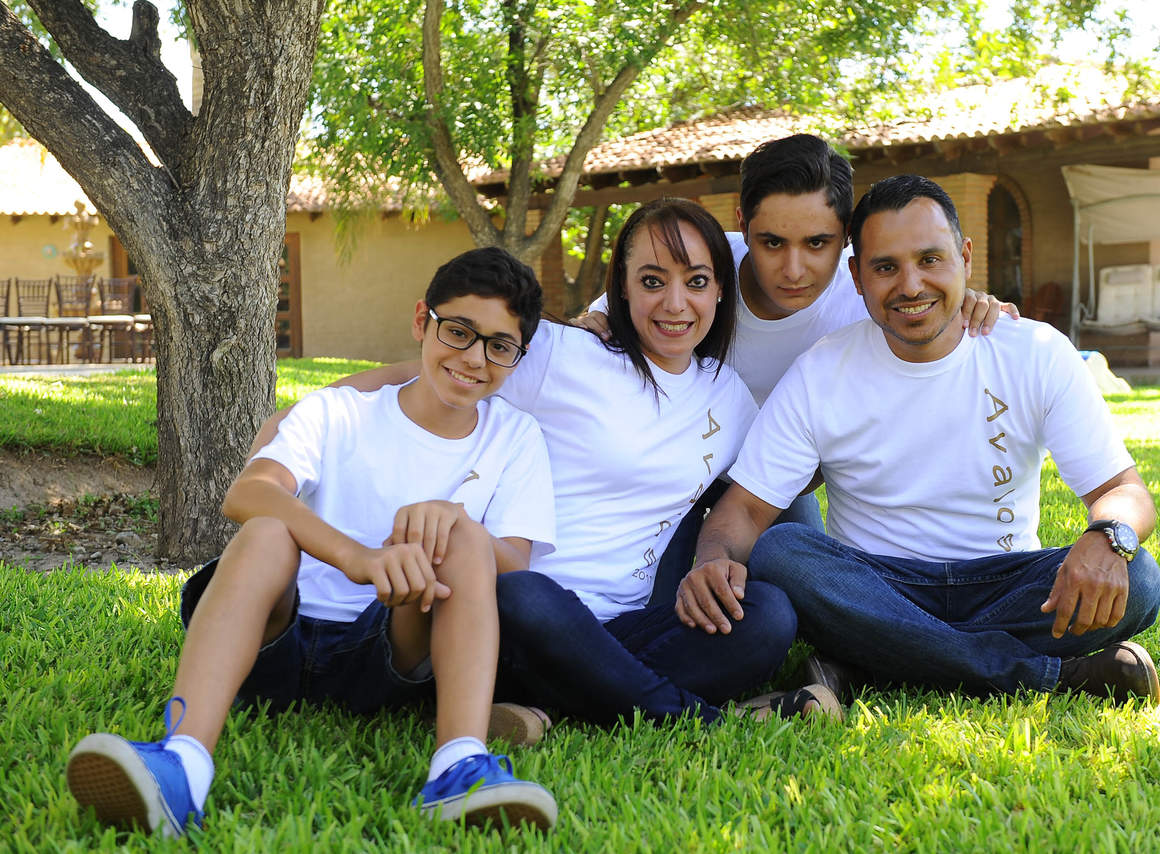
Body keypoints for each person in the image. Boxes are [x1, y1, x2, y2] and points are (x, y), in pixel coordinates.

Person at [66, 247, 561, 836]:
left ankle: (459, 766)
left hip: (391, 650)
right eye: (458, 331)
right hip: (277, 636)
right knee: (266, 531)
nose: (474, 358)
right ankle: (182, 764)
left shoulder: (515, 436)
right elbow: (248, 492)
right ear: (421, 321)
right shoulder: (341, 412)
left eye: (499, 346)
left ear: (517, 357)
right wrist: (356, 557)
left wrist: (454, 522)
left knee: (468, 541)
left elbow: (516, 563)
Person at [301, 198, 837, 727]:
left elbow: (778, 478)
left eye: (696, 281)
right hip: (504, 611)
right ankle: (701, 717)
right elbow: (418, 379)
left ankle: (550, 703)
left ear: (719, 288)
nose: (675, 303)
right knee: (529, 597)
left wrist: (711, 563)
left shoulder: (728, 396)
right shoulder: (563, 353)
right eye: (652, 281)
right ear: (621, 287)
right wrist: (308, 414)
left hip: (620, 627)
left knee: (767, 615)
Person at [676, 175, 1160, 704]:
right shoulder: (820, 371)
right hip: (875, 584)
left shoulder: (1036, 351)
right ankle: (1046, 675)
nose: (911, 286)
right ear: (857, 276)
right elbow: (745, 512)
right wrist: (712, 559)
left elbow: (1123, 490)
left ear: (965, 258)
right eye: (886, 267)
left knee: (1138, 577)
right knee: (782, 552)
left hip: (1001, 583)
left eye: (930, 259)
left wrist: (1107, 537)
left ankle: (872, 660)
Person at [577, 135, 1013, 605]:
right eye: (772, 243)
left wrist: (966, 300)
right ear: (743, 225)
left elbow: (927, 305)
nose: (793, 269)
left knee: (799, 594)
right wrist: (590, 328)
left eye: (817, 243)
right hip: (671, 471)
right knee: (655, 604)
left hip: (773, 484)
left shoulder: (869, 300)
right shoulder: (699, 268)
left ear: (846, 235)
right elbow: (602, 322)